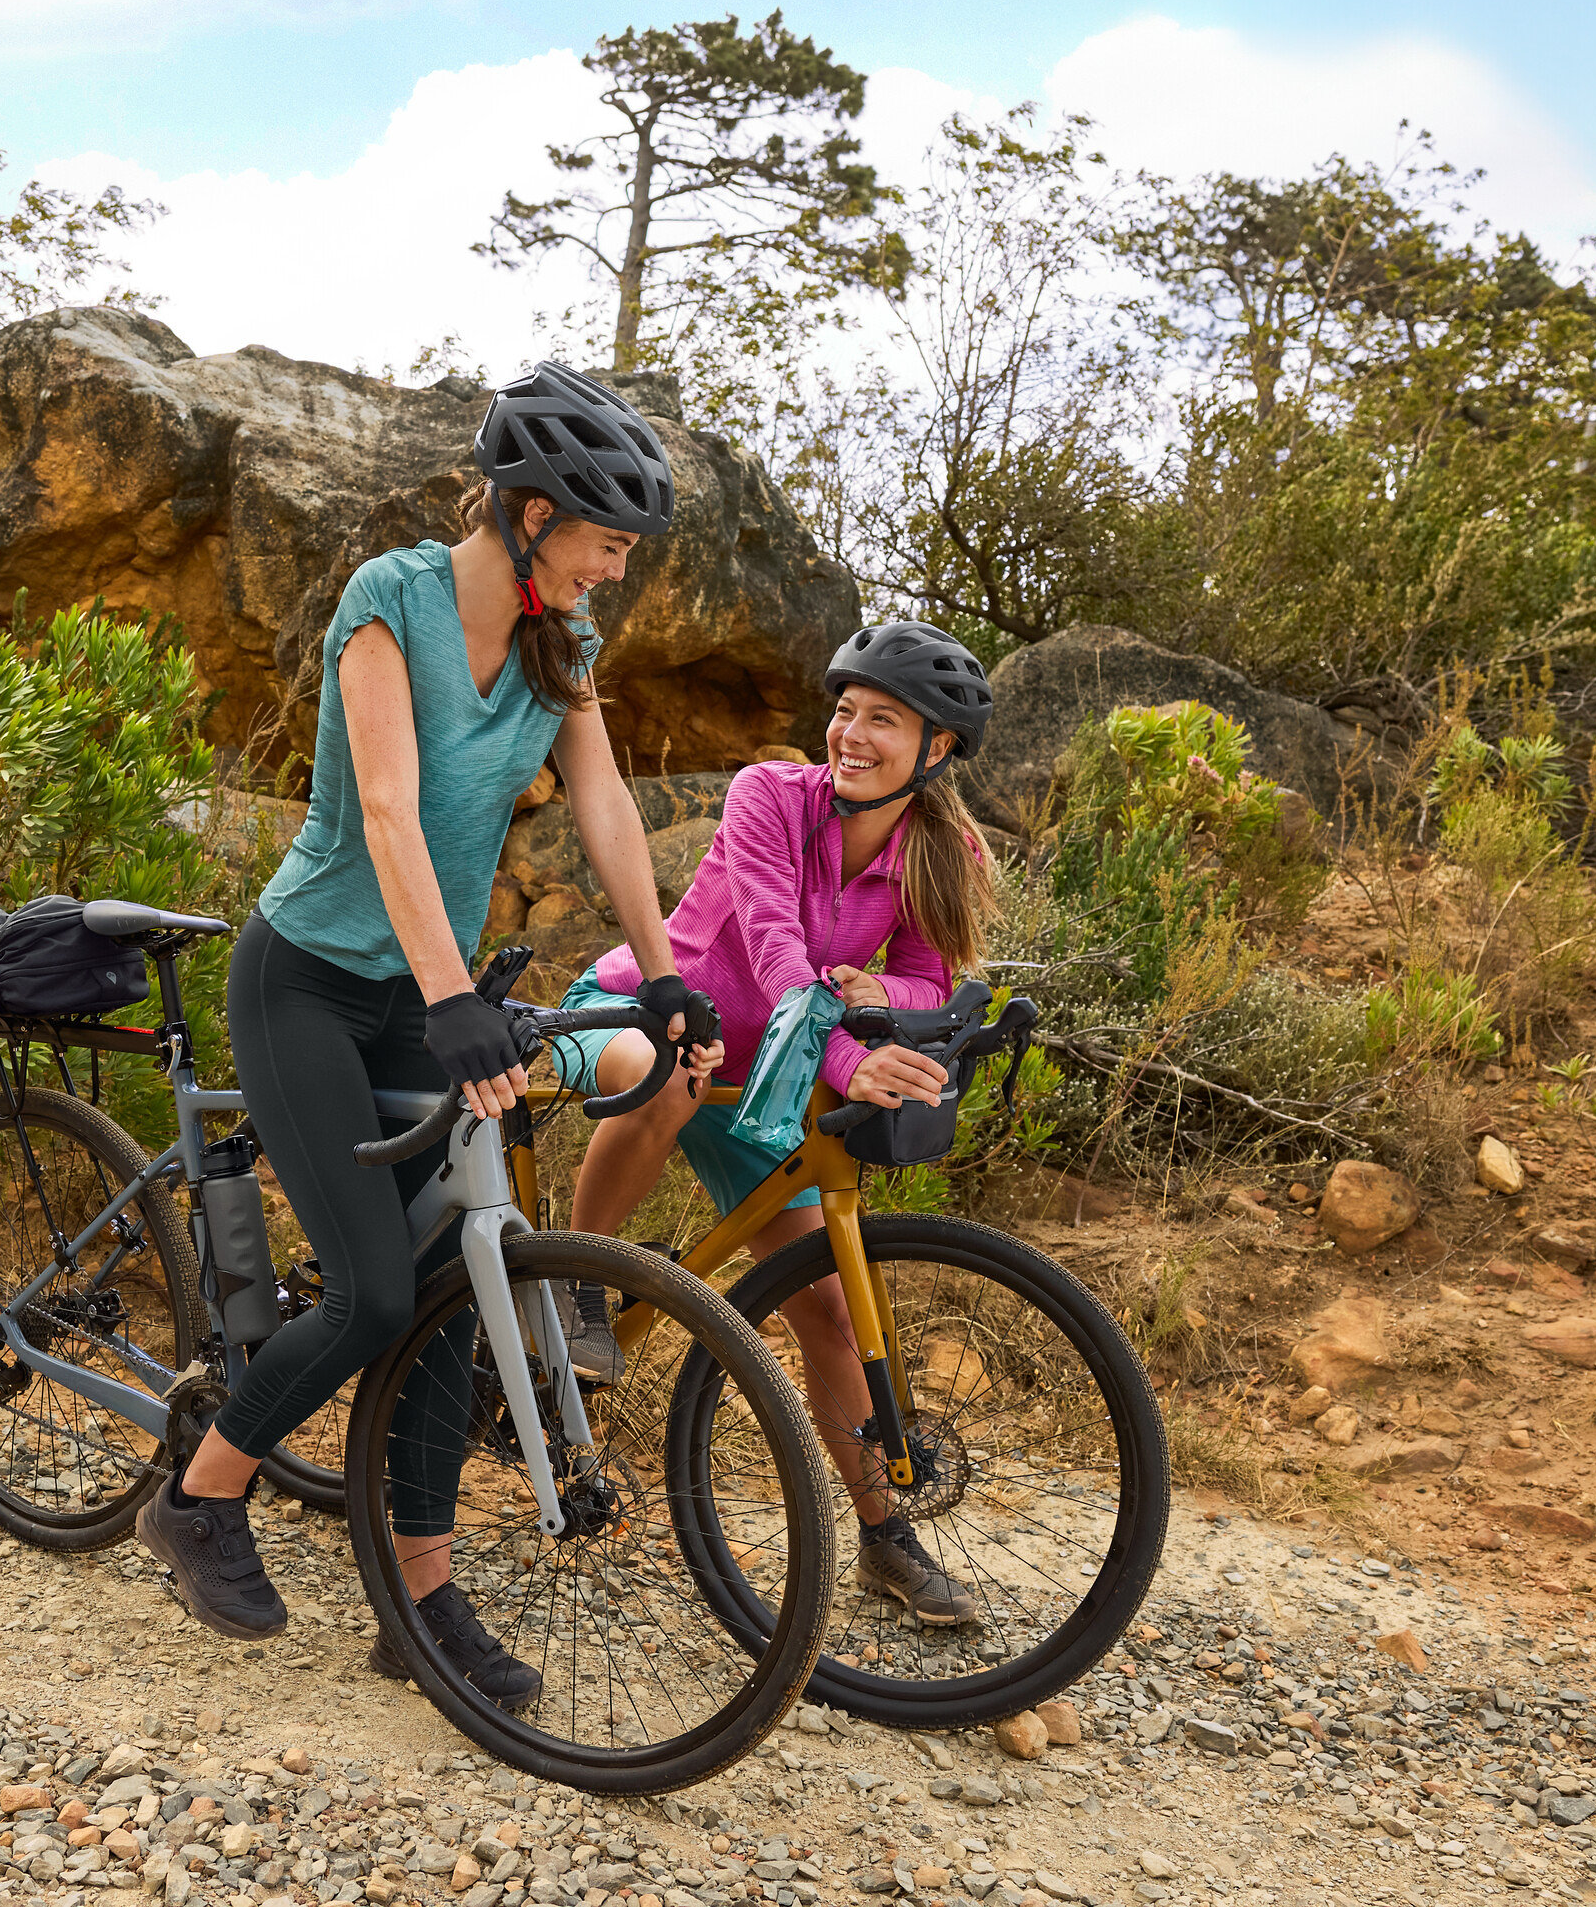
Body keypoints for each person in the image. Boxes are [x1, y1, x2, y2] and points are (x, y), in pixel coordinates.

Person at [137, 360, 718, 1713]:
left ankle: (420, 1596)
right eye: (605, 544)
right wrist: (455, 1001)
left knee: (459, 1282)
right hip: (310, 983)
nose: (612, 575)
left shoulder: (558, 648)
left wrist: (668, 975)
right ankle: (200, 1497)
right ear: (529, 513)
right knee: (373, 1292)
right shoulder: (390, 599)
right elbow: (389, 815)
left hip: (423, 987)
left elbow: (610, 807)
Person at [552, 620, 1001, 1626]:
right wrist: (848, 1052)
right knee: (668, 1074)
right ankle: (579, 1282)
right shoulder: (768, 796)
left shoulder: (945, 850)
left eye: (883, 720)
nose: (850, 733)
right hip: (646, 1015)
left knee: (831, 1311)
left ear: (936, 752)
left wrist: (882, 986)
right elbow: (770, 949)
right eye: (845, 711)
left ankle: (886, 1538)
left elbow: (930, 977)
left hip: (766, 1079)